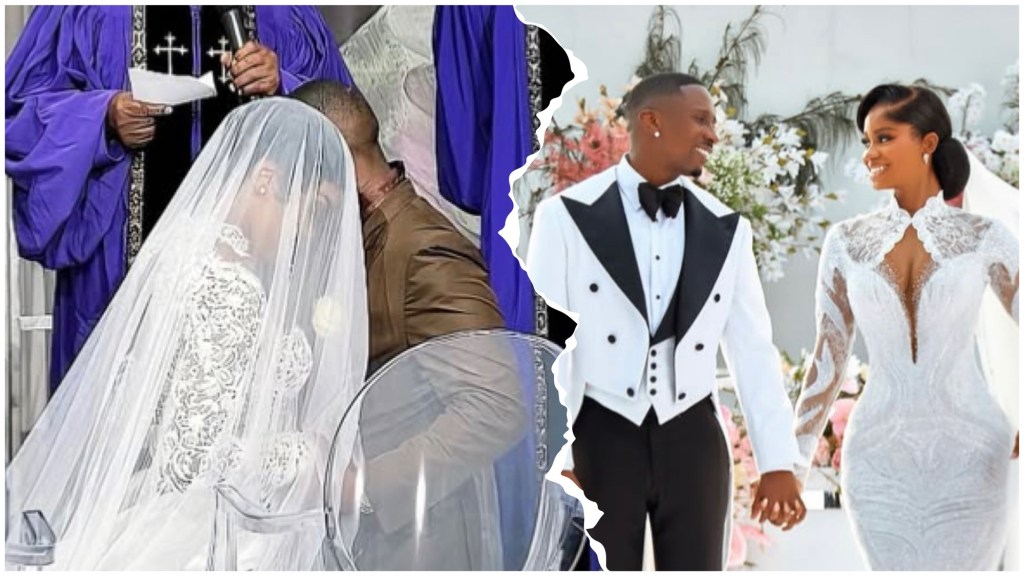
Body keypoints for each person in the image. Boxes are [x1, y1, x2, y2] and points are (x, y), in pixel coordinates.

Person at [4, 98, 368, 570]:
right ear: (265, 180)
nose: (309, 231)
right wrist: (308, 456)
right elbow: (191, 463)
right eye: (312, 207)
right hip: (201, 539)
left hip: (150, 507)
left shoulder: (185, 245)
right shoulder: (231, 287)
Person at [525, 72, 806, 571]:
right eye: (700, 120)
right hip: (601, 434)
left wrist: (777, 461)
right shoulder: (564, 218)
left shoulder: (728, 229)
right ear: (651, 121)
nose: (713, 135)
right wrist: (556, 459)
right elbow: (546, 349)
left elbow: (752, 349)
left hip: (692, 436)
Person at [5, 6, 353, 391]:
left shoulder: (281, 13)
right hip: (114, 284)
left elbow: (345, 127)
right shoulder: (92, 10)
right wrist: (103, 117)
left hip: (252, 299)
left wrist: (284, 86)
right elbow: (18, 114)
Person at [293, 81, 531, 570]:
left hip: (423, 544)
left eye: (304, 175)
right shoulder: (360, 234)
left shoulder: (424, 248)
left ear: (329, 161)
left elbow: (497, 406)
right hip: (367, 542)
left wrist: (361, 487)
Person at [792, 84, 1019, 570]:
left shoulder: (985, 237)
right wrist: (793, 463)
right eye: (866, 141)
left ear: (928, 142)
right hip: (877, 460)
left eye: (884, 138)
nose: (869, 154)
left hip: (975, 458)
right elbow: (828, 358)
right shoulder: (846, 242)